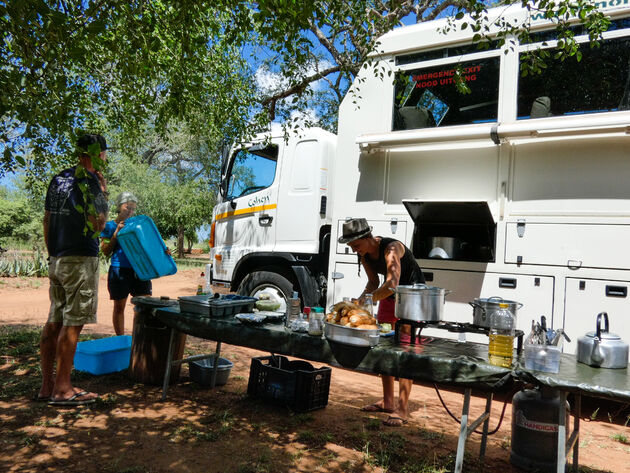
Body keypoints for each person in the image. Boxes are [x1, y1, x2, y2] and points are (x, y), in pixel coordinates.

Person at [38, 133, 109, 406]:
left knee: (54, 319)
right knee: (73, 322)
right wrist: (102, 193)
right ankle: (63, 388)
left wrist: (52, 254)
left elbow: (47, 220)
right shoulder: (89, 181)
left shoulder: (58, 180)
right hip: (80, 261)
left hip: (56, 258)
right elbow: (99, 224)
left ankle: (47, 386)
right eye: (104, 154)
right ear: (97, 154)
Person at [338, 218, 425, 427]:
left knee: (405, 350)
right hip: (389, 297)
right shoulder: (365, 254)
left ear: (368, 237)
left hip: (412, 298)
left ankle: (402, 408)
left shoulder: (391, 248)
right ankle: (387, 401)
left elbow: (391, 283)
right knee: (385, 346)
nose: (355, 250)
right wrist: (358, 303)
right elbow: (373, 283)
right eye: (351, 247)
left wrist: (366, 301)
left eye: (356, 245)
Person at [100, 192, 152, 335]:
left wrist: (162, 251)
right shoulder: (109, 226)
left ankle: (138, 338)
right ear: (119, 206)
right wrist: (116, 233)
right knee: (119, 307)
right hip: (119, 271)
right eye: (127, 208)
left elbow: (149, 245)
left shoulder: (138, 226)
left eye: (133, 209)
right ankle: (121, 339)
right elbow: (105, 251)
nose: (130, 212)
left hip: (141, 271)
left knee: (143, 306)